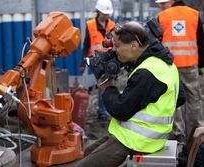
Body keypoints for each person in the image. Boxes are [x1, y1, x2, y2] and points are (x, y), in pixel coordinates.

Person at [75, 21, 185, 167]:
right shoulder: (164, 63)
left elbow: (120, 110)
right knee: (86, 152)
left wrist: (108, 87)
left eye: (118, 46)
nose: (114, 51)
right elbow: (181, 98)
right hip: (151, 137)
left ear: (133, 45)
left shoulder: (147, 72)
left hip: (138, 141)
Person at [157, 0, 204, 145]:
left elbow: (157, 44)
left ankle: (178, 134)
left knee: (174, 99)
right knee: (194, 99)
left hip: (170, 66)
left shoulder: (162, 16)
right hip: (190, 65)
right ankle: (197, 132)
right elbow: (201, 42)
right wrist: (200, 65)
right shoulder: (195, 15)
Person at [80, 0, 115, 121]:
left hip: (110, 60)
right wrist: (82, 63)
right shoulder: (90, 25)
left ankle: (105, 110)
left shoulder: (112, 25)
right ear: (98, 11)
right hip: (97, 61)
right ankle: (102, 112)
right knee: (103, 84)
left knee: (107, 84)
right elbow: (86, 45)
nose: (106, 15)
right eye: (104, 13)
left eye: (108, 13)